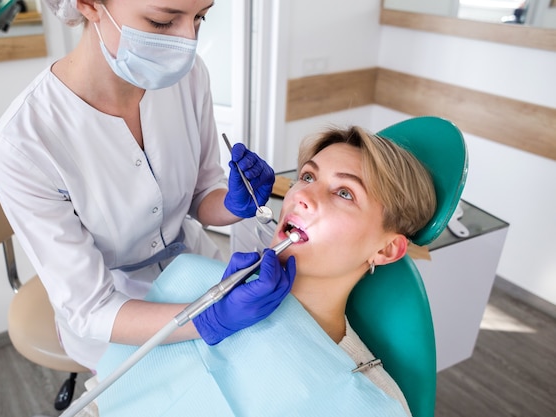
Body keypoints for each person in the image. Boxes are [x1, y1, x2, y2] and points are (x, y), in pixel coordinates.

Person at [0, 0, 295, 372]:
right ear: (88, 5)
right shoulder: (23, 144)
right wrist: (209, 318)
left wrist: (232, 203)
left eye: (200, 17)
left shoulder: (190, 77)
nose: (189, 40)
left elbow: (201, 193)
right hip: (116, 317)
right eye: (162, 21)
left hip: (194, 267)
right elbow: (92, 308)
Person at [75, 123, 438, 417]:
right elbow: (101, 397)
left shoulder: (368, 401)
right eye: (308, 177)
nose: (301, 196)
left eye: (344, 193)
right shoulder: (194, 283)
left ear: (387, 249)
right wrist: (208, 321)